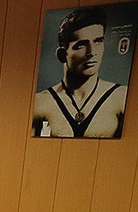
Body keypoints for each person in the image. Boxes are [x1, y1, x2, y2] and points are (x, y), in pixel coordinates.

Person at [33, 7, 128, 138]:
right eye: (81, 45)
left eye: (98, 41)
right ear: (62, 54)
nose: (92, 52)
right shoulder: (41, 103)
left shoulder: (120, 98)